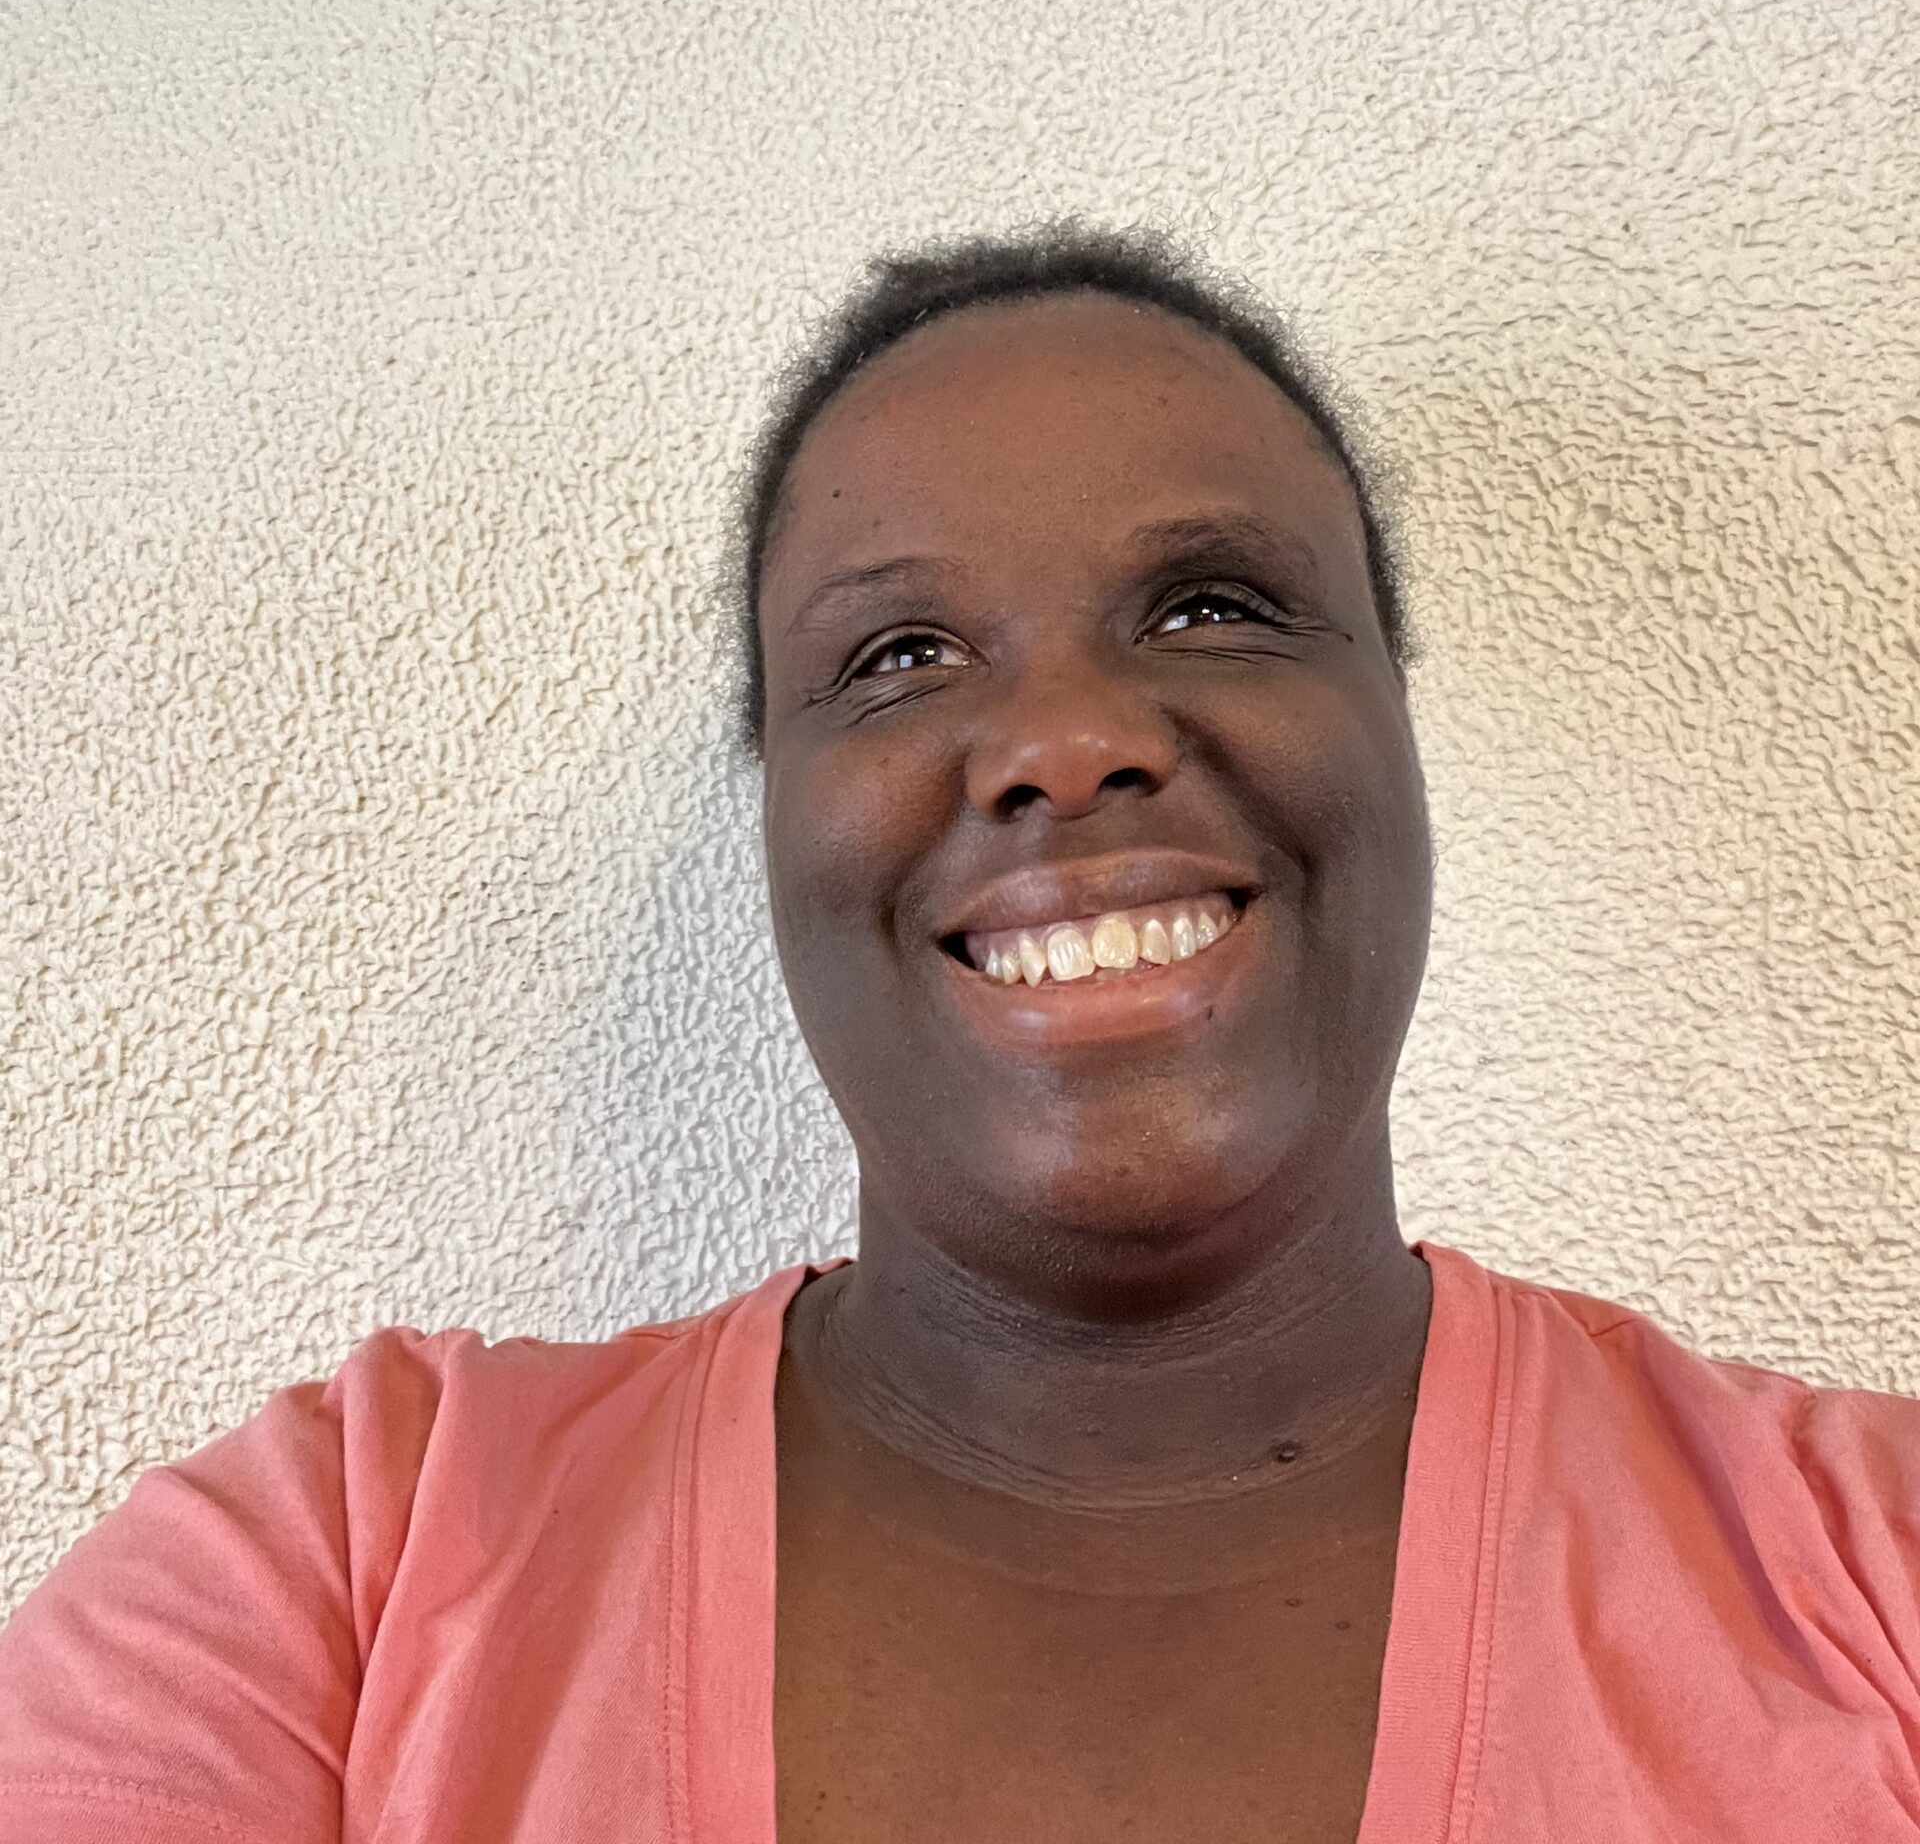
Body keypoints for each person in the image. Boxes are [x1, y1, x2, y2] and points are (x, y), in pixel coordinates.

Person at [3, 223, 1918, 1844]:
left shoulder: (1874, 1580)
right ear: (777, 818)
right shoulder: (342, 1576)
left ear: (1397, 736)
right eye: (898, 658)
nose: (1069, 741)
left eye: (1216, 607)